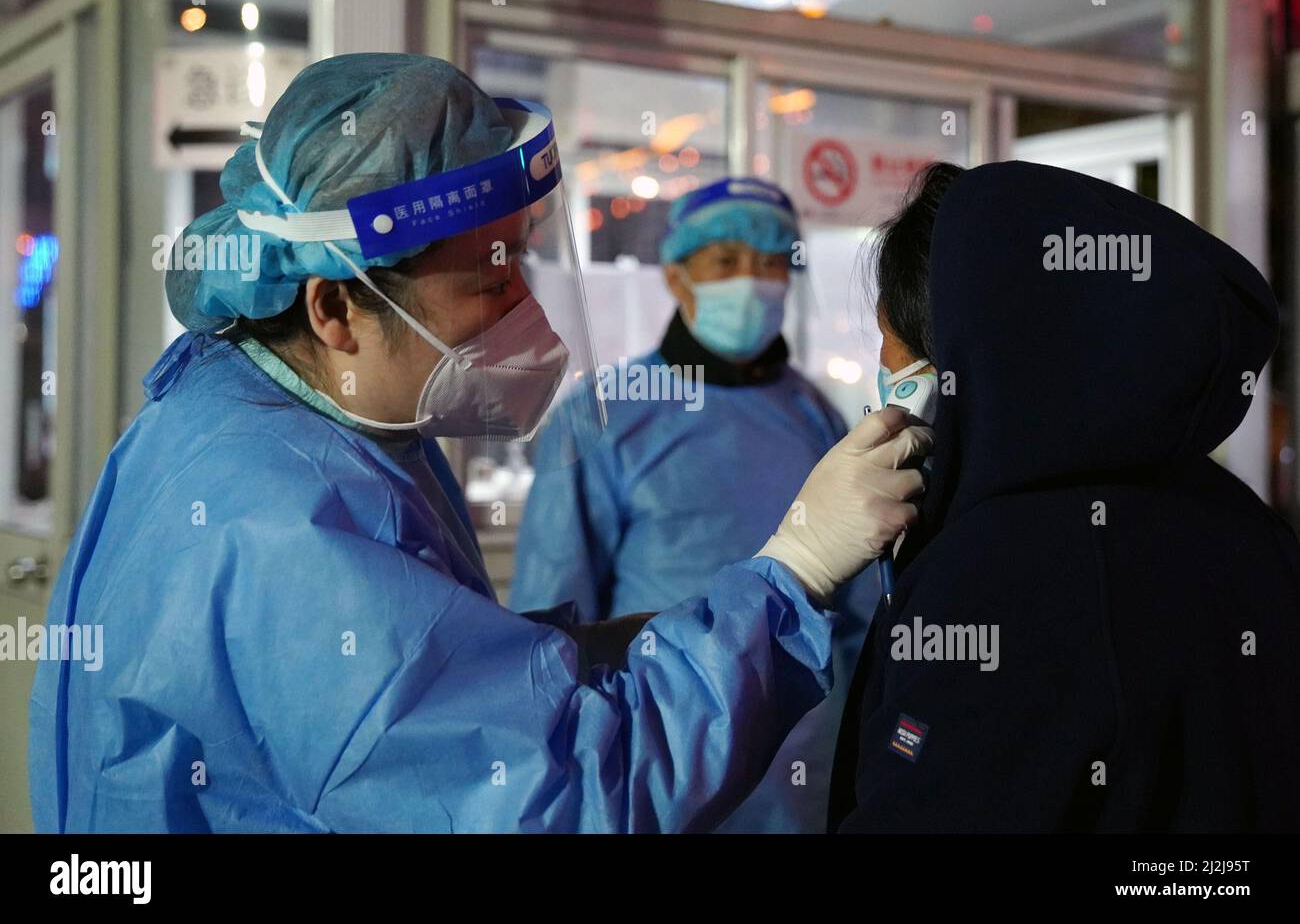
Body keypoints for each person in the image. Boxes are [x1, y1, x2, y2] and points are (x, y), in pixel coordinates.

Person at [27, 54, 933, 834]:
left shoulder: (277, 423)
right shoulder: (282, 525)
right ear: (336, 306)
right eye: (489, 281)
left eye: (523, 264)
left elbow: (455, 678)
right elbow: (565, 795)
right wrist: (790, 578)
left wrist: (658, 633)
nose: (526, 315)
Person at [828, 160, 1300, 832]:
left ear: (963, 345)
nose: (885, 364)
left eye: (887, 335)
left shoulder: (997, 570)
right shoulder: (1244, 520)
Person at [513, 176, 879, 832]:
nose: (754, 280)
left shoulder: (815, 416)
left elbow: (857, 615)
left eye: (771, 262)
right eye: (727, 261)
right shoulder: (602, 416)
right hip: (658, 755)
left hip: (801, 773)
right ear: (679, 277)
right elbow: (550, 630)